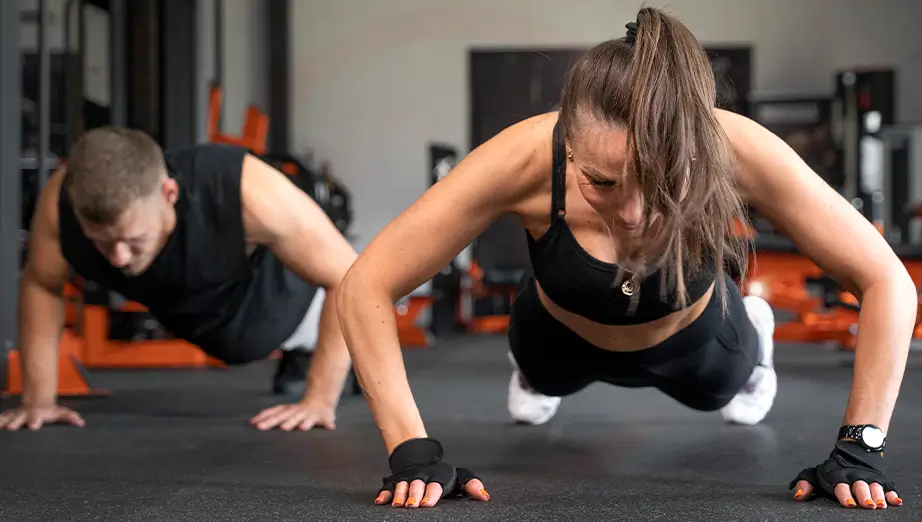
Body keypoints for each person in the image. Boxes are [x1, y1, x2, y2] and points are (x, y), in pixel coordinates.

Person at [335, 7, 912, 512]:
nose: (633, 213)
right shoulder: (523, 157)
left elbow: (885, 278)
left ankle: (752, 335)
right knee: (540, 369)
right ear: (569, 146)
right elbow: (366, 285)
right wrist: (411, 451)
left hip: (695, 344)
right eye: (601, 181)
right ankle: (537, 374)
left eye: (664, 183)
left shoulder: (736, 149)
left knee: (722, 394)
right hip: (556, 336)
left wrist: (860, 448)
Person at [0, 127, 358, 433]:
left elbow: (348, 275)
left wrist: (319, 400)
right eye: (101, 242)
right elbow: (43, 284)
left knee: (249, 339)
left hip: (268, 295)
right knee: (227, 342)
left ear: (169, 194)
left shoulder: (246, 191)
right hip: (192, 305)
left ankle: (323, 349)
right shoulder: (62, 201)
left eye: (133, 240)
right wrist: (38, 401)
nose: (118, 257)